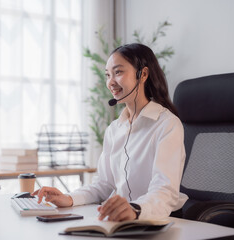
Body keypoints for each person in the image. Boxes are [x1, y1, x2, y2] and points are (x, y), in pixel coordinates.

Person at [32, 43, 188, 221]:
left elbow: (164, 191)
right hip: (122, 218)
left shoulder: (167, 124)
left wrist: (135, 209)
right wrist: (69, 198)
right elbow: (104, 184)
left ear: (143, 74)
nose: (110, 82)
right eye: (107, 75)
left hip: (157, 219)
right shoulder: (115, 129)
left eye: (118, 72)